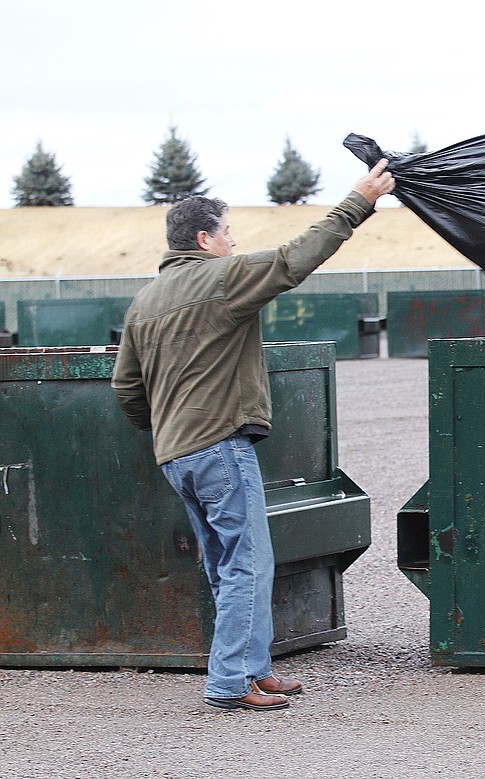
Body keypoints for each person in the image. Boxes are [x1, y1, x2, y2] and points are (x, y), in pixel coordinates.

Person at [112, 159, 396, 712]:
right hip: (219, 446)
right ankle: (229, 681)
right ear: (203, 239)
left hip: (176, 454)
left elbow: (127, 388)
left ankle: (253, 668)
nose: (232, 241)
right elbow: (296, 259)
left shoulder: (144, 303)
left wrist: (168, 425)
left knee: (224, 565)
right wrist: (358, 201)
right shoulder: (222, 279)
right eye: (226, 232)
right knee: (248, 562)